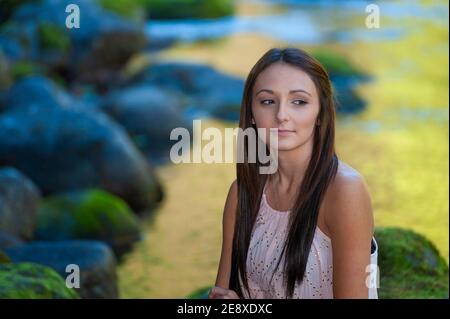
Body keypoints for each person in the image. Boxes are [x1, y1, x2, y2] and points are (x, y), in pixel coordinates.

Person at [208, 47, 378, 299]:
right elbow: (223, 296)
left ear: (320, 113)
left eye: (299, 101)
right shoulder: (242, 193)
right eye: (268, 101)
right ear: (252, 114)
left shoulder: (345, 191)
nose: (281, 115)